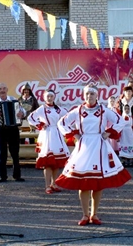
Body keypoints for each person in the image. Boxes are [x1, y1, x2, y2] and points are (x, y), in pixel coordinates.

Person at [56, 83, 131, 226]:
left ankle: (94, 214)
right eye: (87, 94)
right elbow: (62, 123)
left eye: (92, 94)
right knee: (83, 182)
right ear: (83, 96)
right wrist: (75, 134)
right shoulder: (78, 110)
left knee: (97, 184)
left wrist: (108, 132)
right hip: (83, 147)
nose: (89, 96)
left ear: (97, 95)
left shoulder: (103, 110)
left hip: (99, 145)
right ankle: (84, 215)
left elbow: (120, 121)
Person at [27, 89, 70, 194]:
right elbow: (30, 118)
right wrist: (40, 124)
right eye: (48, 96)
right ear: (44, 97)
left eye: (51, 96)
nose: (50, 98)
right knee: (48, 162)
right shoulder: (42, 109)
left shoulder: (59, 109)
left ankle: (54, 183)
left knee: (56, 162)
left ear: (54, 97)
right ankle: (47, 185)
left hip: (57, 135)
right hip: (47, 135)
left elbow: (68, 117)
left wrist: (64, 127)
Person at [0, 82, 26, 182]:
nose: (2, 90)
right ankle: (3, 177)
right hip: (0, 129)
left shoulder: (14, 100)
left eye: (4, 88)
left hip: (13, 129)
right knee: (1, 154)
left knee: (15, 153)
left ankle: (17, 176)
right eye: (0, 89)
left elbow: (23, 111)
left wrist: (21, 114)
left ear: (7, 90)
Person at [115, 86, 133, 164]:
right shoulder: (120, 102)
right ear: (124, 93)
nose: (128, 93)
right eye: (127, 92)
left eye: (130, 91)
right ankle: (123, 158)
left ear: (132, 93)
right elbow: (117, 113)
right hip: (123, 125)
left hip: (131, 125)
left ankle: (131, 157)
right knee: (123, 141)